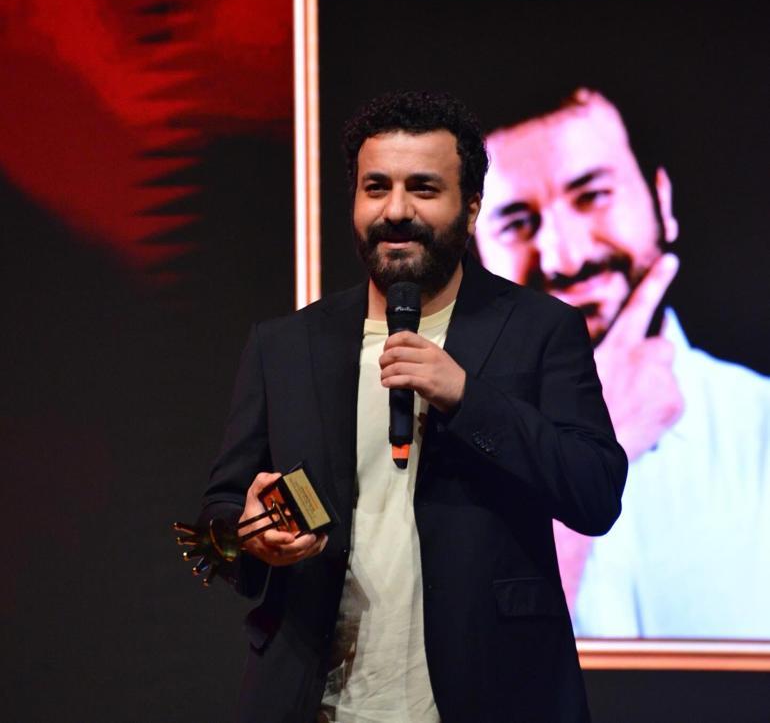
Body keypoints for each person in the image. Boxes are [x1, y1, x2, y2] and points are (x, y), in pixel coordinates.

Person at [200, 90, 627, 722]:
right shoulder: (285, 345)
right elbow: (221, 512)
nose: (396, 210)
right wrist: (250, 535)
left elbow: (595, 493)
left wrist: (467, 398)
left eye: (423, 188)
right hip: (315, 700)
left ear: (471, 207)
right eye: (376, 188)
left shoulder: (541, 329)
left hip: (492, 696)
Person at [475, 88, 770, 639]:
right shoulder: (441, 457)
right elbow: (482, 671)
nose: (567, 257)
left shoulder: (761, 426)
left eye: (593, 196)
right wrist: (602, 439)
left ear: (661, 201)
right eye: (515, 223)